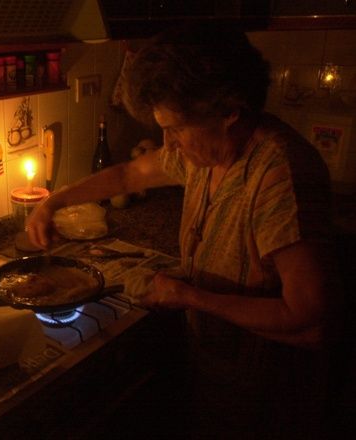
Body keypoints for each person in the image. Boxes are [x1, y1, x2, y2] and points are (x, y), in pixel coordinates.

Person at [26, 23, 343, 438]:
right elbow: (129, 175)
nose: (168, 143)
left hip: (265, 398)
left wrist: (189, 296)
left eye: (175, 128)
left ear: (229, 111)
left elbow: (310, 322)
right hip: (215, 373)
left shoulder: (280, 175)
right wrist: (54, 200)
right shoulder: (204, 153)